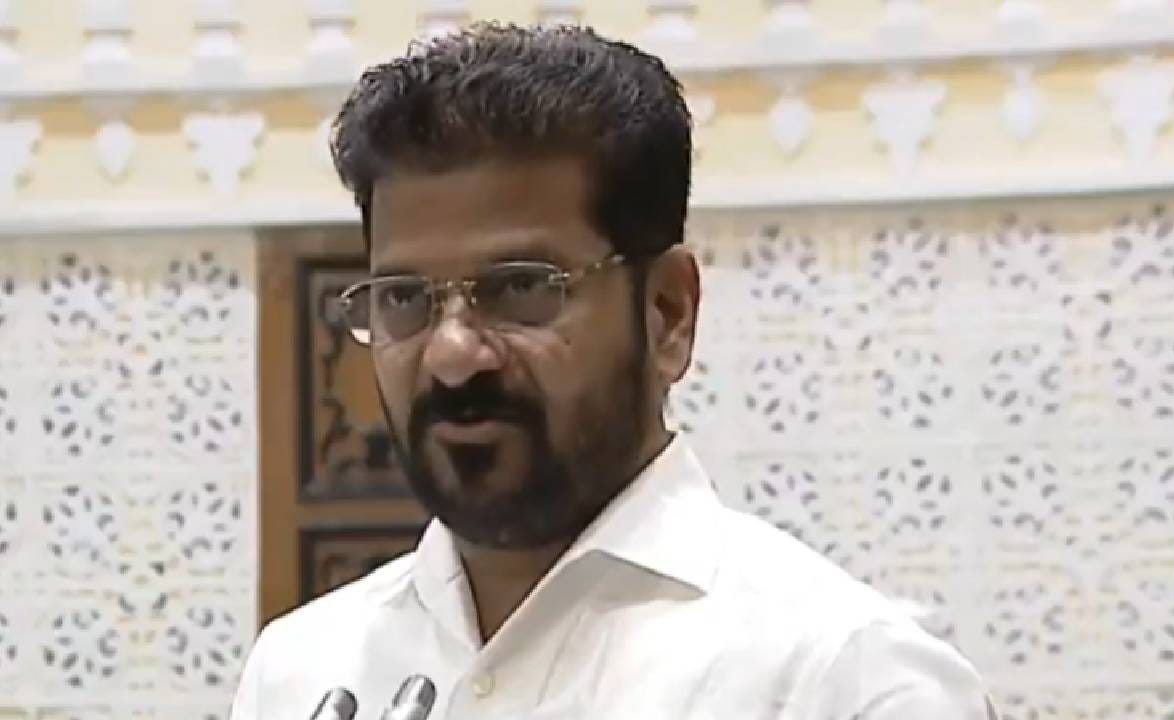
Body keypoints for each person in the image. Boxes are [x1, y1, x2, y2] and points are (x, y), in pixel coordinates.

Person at [230, 22, 994, 719]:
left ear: (667, 313)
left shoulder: (848, 680)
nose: (453, 354)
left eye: (522, 288)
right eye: (404, 298)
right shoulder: (300, 671)